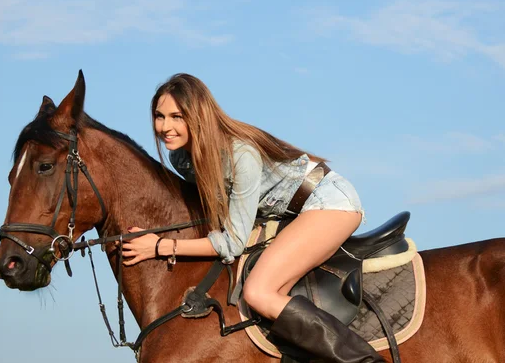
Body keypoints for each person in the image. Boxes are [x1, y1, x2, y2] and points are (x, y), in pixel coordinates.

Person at [123, 73, 385, 363]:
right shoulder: (182, 160)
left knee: (259, 293)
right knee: (266, 312)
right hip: (287, 213)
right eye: (160, 116)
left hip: (329, 202)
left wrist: (161, 246)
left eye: (177, 116)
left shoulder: (239, 155)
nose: (166, 127)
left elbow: (232, 243)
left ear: (198, 115)